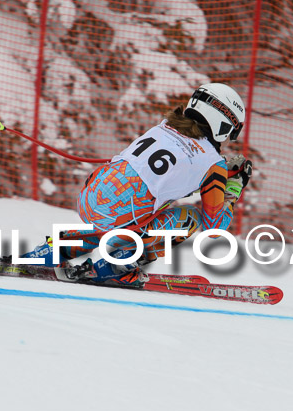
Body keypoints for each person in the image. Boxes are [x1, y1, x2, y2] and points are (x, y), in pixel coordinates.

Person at [20, 83, 253, 287]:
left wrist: (223, 171)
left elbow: (180, 166)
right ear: (224, 123)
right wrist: (234, 186)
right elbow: (214, 229)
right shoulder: (212, 165)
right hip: (123, 212)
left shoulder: (163, 127)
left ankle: (56, 249)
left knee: (138, 207)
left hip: (89, 197)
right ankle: (116, 267)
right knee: (190, 217)